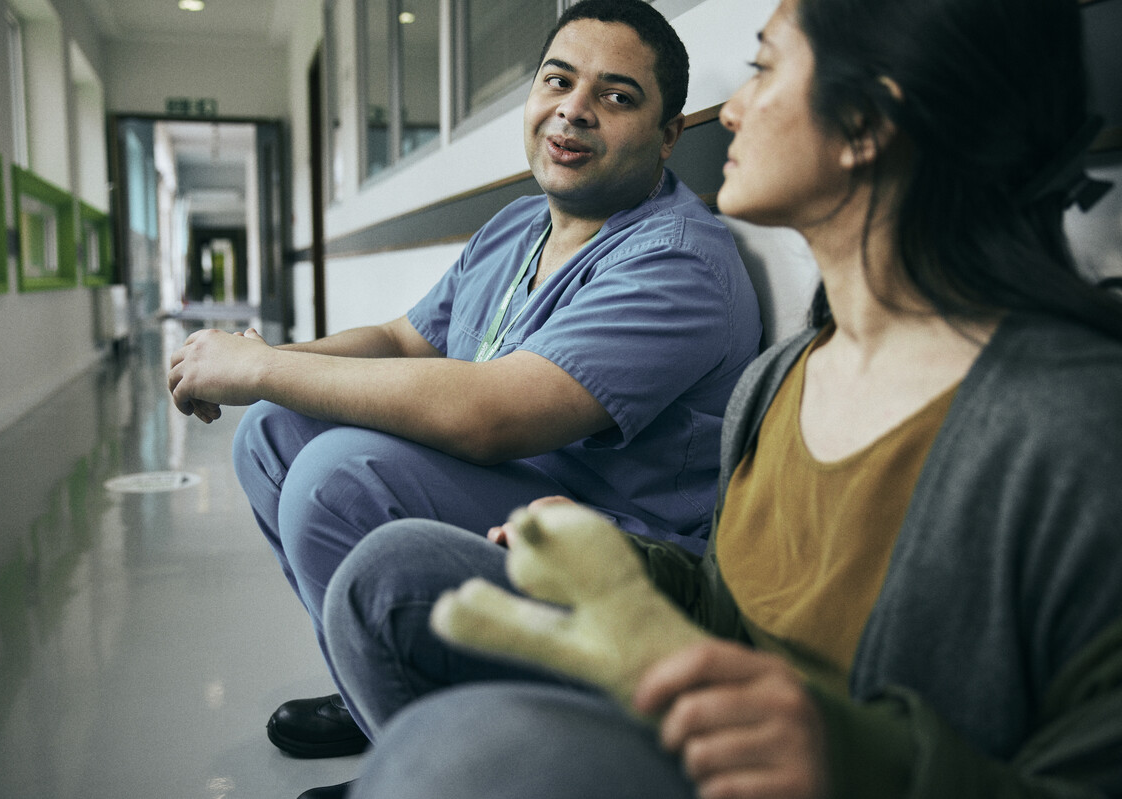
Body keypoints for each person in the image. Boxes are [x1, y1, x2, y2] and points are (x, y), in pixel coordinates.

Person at [320, 0, 1122, 796]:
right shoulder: (780, 382)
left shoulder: (1076, 435)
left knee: (448, 761)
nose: (731, 111)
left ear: (866, 122)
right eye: (559, 82)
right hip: (710, 739)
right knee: (387, 574)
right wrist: (619, 566)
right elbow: (727, 609)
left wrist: (851, 756)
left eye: (766, 67)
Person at [166, 0, 761, 765]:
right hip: (509, 487)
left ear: (668, 134)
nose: (573, 111)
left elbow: (493, 416)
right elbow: (400, 340)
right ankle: (383, 686)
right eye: (558, 81)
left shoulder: (678, 260)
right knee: (273, 431)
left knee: (331, 479)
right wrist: (265, 359)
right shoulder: (518, 225)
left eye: (616, 96)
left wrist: (260, 367)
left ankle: (438, 764)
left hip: (604, 540)